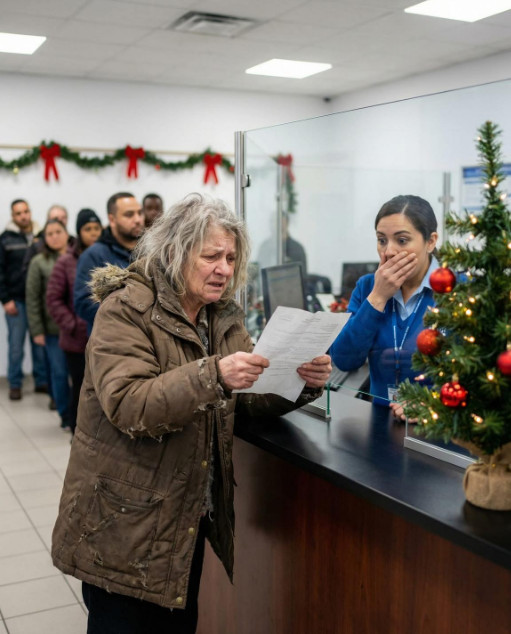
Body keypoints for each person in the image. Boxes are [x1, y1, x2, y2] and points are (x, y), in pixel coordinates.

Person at [51, 193, 331, 634]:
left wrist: (300, 381)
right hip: (124, 523)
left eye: (231, 258)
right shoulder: (126, 309)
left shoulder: (221, 316)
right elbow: (129, 404)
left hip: (182, 519)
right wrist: (214, 374)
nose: (224, 268)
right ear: (175, 252)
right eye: (211, 256)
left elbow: (246, 397)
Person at [330, 195, 439, 418]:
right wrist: (378, 297)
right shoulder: (367, 287)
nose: (388, 251)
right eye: (382, 240)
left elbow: (478, 376)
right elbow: (344, 359)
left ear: (430, 241)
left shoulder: (456, 290)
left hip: (438, 426)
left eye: (402, 240)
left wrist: (431, 404)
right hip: (381, 423)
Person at [46, 208, 103, 434]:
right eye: (88, 229)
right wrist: (73, 325)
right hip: (76, 341)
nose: (93, 233)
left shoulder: (103, 258)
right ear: (79, 233)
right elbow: (53, 300)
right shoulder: (66, 262)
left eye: (97, 228)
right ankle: (75, 429)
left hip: (102, 336)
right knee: (79, 386)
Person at [74, 192, 144, 334]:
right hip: (111, 339)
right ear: (112, 219)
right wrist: (128, 316)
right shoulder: (94, 255)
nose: (137, 219)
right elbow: (83, 303)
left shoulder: (150, 251)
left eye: (139, 213)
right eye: (129, 215)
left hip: (148, 339)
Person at [0, 199, 48, 400]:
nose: (23, 216)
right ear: (13, 216)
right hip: (16, 301)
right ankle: (15, 384)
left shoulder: (41, 236)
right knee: (16, 346)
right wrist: (5, 299)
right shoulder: (5, 239)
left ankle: (41, 381)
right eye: (18, 213)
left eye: (26, 211)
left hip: (38, 301)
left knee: (40, 344)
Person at [26, 219, 72, 428]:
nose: (54, 237)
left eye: (58, 232)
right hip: (53, 330)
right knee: (59, 373)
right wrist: (37, 330)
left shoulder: (78, 257)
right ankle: (65, 415)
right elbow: (33, 298)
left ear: (66, 233)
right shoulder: (38, 262)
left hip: (77, 329)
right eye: (50, 233)